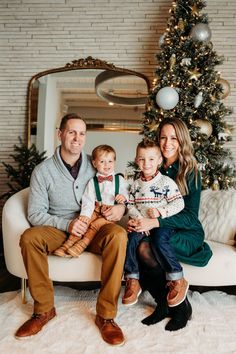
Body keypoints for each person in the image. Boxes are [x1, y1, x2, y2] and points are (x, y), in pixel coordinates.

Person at [15, 113, 127, 347]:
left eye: (82, 133)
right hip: (59, 229)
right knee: (29, 238)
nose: (77, 138)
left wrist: (120, 208)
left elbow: (119, 190)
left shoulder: (96, 162)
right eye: (72, 132)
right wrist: (67, 224)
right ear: (60, 134)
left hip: (95, 227)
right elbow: (35, 214)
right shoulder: (43, 171)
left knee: (118, 235)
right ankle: (44, 310)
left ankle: (106, 315)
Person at [131, 118, 212, 331]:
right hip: (159, 229)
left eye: (174, 138)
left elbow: (190, 216)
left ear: (181, 140)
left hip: (187, 231)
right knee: (139, 243)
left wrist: (156, 220)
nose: (167, 143)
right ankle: (165, 303)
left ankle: (180, 308)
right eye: (163, 137)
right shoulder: (150, 167)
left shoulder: (190, 170)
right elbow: (137, 201)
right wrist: (136, 219)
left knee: (148, 246)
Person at [122, 139, 188, 308]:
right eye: (142, 159)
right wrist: (136, 219)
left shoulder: (166, 183)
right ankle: (132, 279)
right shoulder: (135, 185)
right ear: (137, 160)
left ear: (159, 160)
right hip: (142, 224)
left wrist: (160, 212)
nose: (146, 163)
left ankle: (177, 277)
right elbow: (130, 204)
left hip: (162, 224)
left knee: (159, 241)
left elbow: (179, 203)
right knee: (131, 240)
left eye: (151, 159)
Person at [54, 144, 129, 258]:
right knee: (83, 223)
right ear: (94, 163)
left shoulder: (120, 179)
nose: (106, 165)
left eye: (110, 161)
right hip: (95, 209)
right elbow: (88, 199)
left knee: (95, 225)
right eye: (102, 161)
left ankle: (80, 246)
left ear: (114, 162)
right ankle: (67, 245)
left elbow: (127, 193)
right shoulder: (92, 182)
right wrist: (85, 215)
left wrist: (123, 198)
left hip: (109, 213)